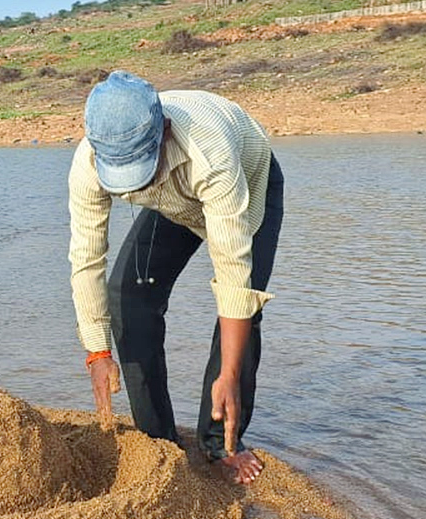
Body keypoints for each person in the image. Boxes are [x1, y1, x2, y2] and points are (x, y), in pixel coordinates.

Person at [68, 70, 283, 485]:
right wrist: (97, 351)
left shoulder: (210, 151)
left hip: (248, 188)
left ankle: (222, 444)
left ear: (164, 130)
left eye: (139, 167)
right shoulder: (88, 161)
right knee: (127, 298)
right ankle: (159, 440)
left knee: (240, 318)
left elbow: (233, 278)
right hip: (173, 202)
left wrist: (230, 373)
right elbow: (86, 257)